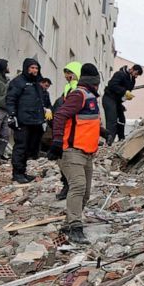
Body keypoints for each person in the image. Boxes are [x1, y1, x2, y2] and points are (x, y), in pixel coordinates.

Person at [48, 63, 102, 244]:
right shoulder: (79, 95)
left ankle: (68, 223)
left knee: (85, 193)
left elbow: (84, 122)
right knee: (77, 186)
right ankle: (74, 227)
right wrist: (56, 141)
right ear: (94, 83)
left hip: (87, 153)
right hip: (71, 151)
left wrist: (103, 132)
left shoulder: (90, 98)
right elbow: (60, 115)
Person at [5, 58, 46, 184]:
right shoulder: (18, 82)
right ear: (26, 68)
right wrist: (12, 115)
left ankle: (22, 171)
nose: (34, 70)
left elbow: (39, 101)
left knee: (30, 147)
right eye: (32, 68)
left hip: (35, 121)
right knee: (20, 147)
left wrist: (43, 117)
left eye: (36, 68)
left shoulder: (37, 84)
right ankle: (17, 173)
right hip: (22, 120)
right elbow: (11, 99)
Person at [54, 62, 82, 201]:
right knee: (64, 160)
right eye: (65, 73)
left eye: (70, 73)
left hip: (76, 132)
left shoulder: (78, 90)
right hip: (67, 130)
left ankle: (71, 189)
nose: (67, 76)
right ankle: (67, 186)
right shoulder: (68, 88)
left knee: (72, 162)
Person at [103, 64, 141, 144]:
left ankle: (121, 140)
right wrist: (124, 92)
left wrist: (126, 97)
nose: (136, 76)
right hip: (109, 98)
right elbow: (112, 85)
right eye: (136, 73)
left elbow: (126, 92)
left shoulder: (132, 80)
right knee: (112, 120)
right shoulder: (120, 74)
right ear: (132, 69)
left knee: (121, 119)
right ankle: (109, 142)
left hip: (117, 101)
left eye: (137, 75)